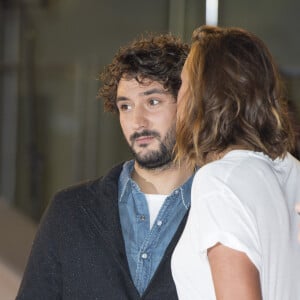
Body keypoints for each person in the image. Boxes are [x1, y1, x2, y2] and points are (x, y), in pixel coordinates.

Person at [16, 33, 195, 299]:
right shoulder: (70, 211)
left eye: (153, 102)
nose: (137, 120)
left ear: (189, 105)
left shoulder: (218, 206)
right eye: (126, 106)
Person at [171, 25, 300, 300]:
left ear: (204, 97)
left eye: (182, 84)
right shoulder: (293, 170)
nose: (177, 98)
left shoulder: (219, 181)